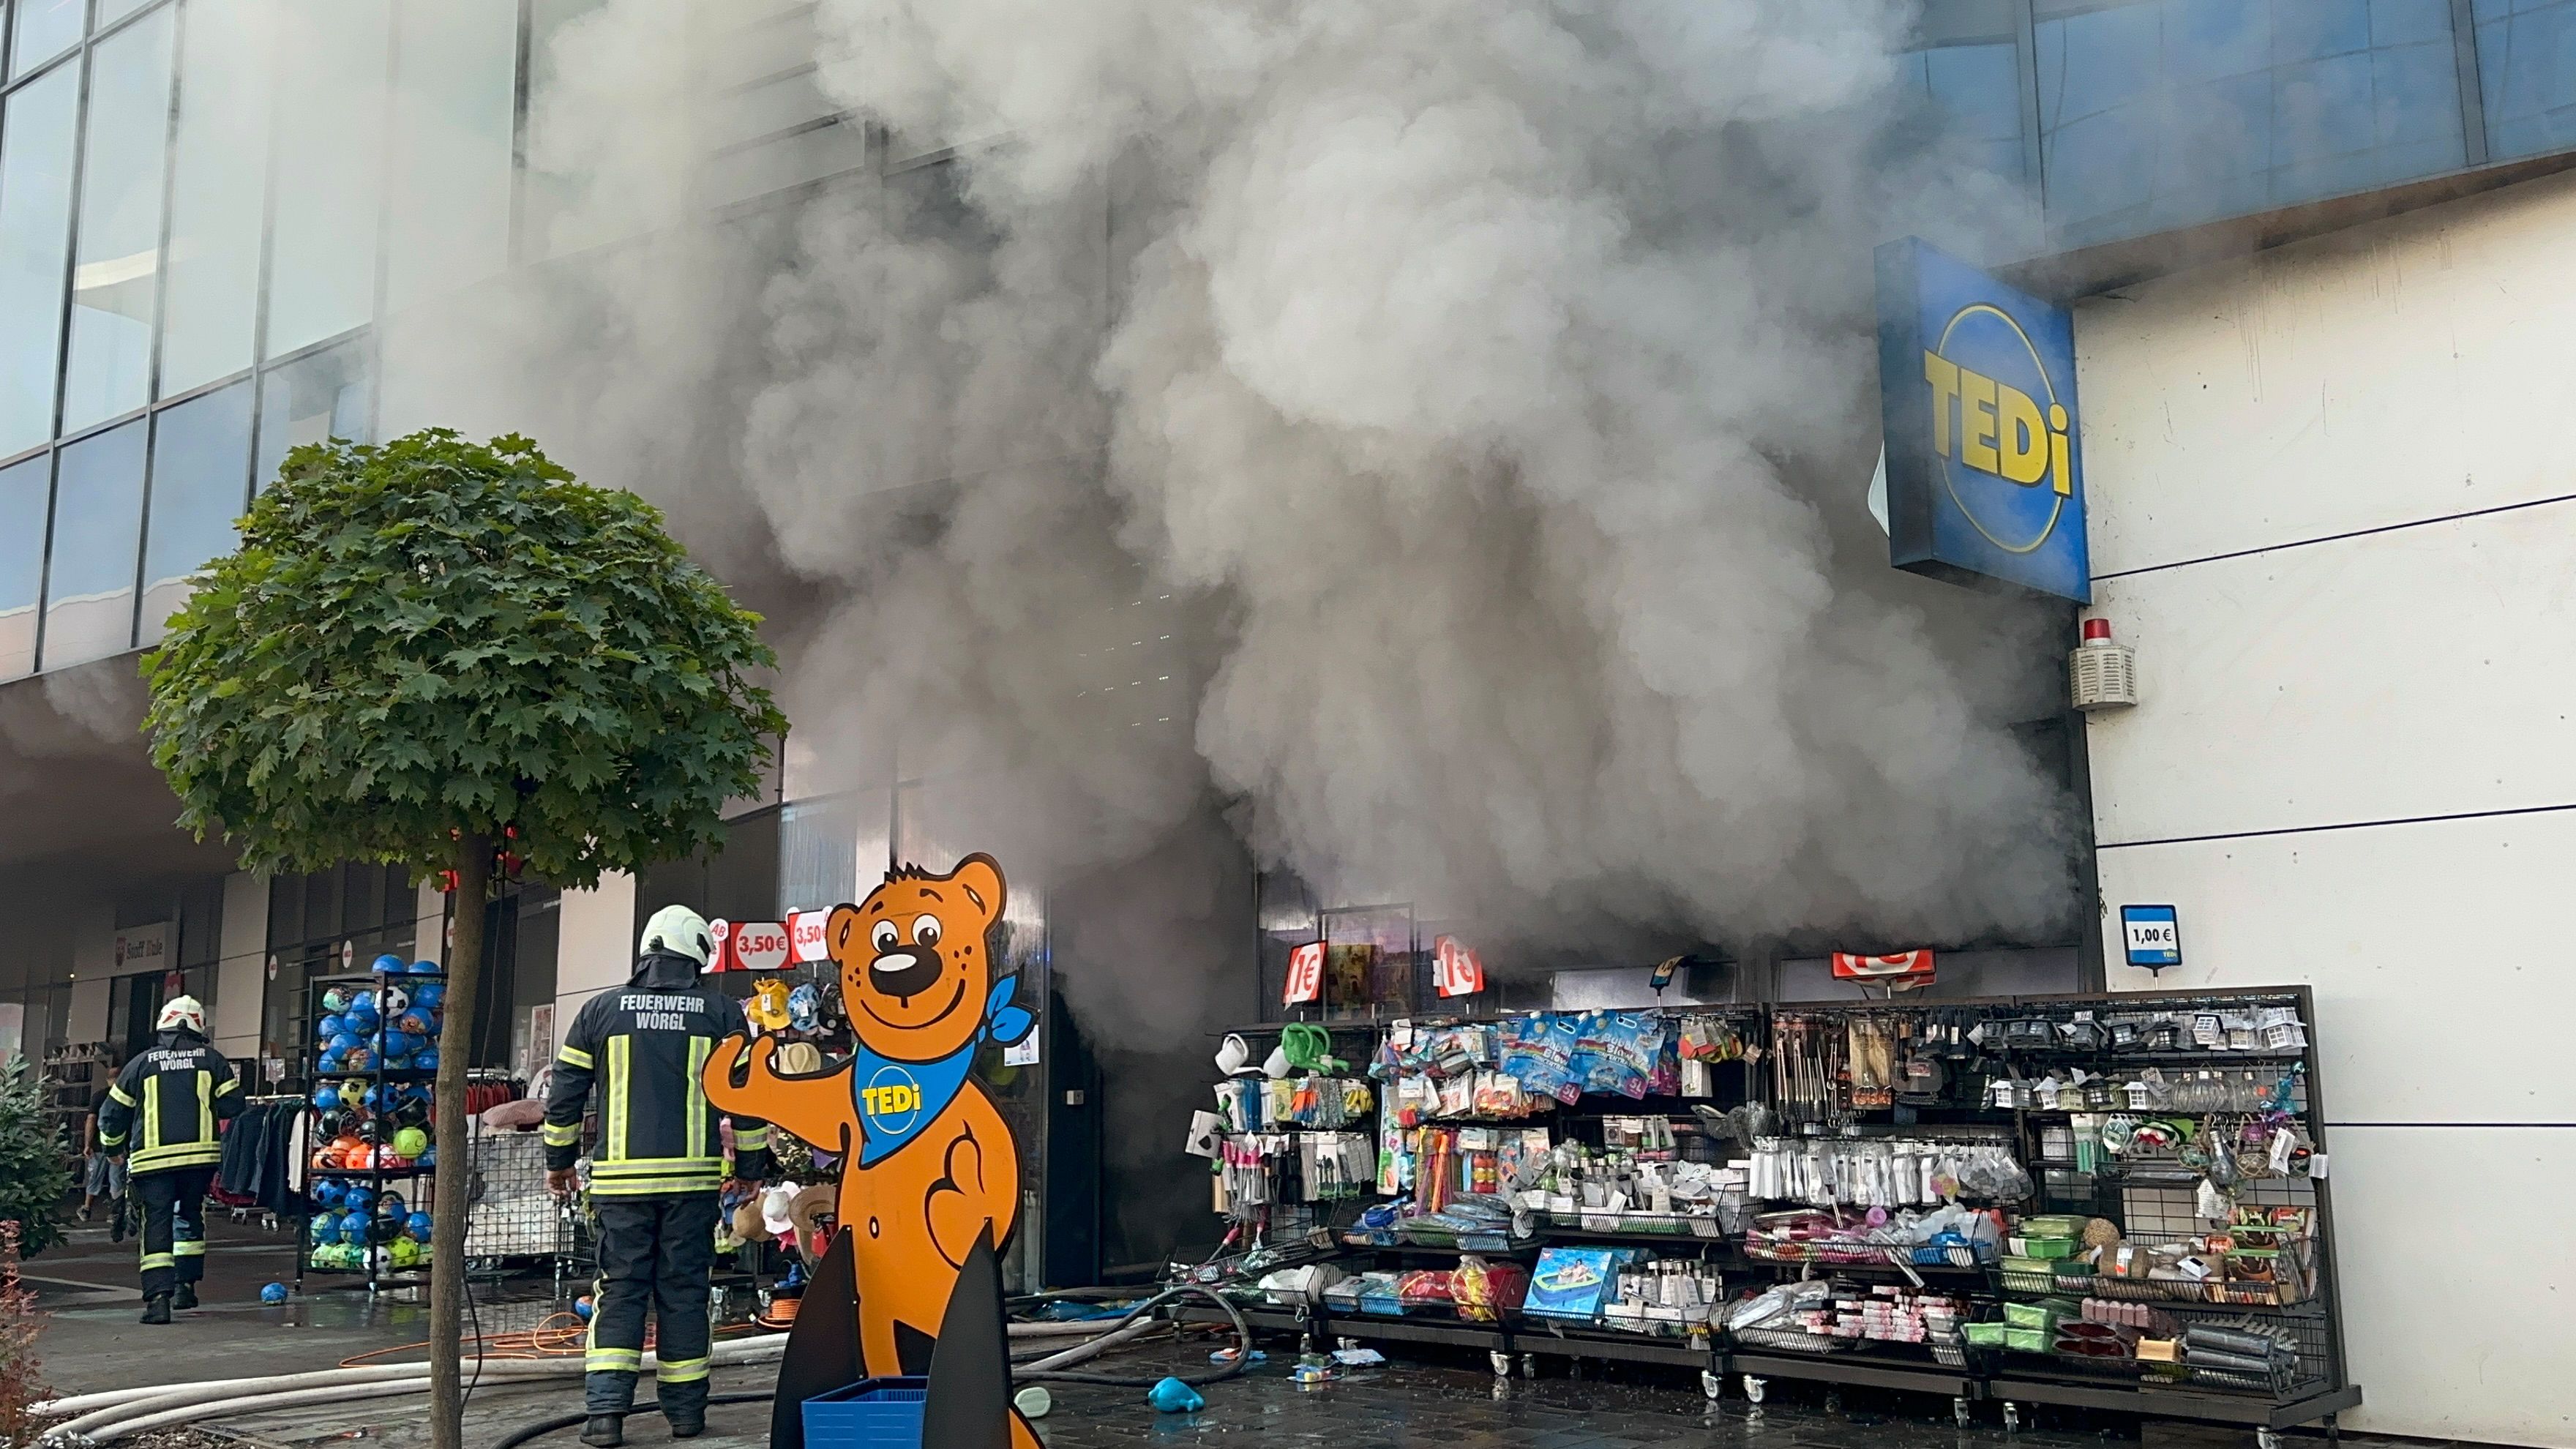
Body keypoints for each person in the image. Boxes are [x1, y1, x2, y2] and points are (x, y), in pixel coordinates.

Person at [546, 906, 772, 1447]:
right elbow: (747, 1102)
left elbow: (566, 1093)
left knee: (619, 1291)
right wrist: (750, 1171)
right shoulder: (720, 1014)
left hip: (621, 1187)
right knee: (684, 1292)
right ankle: (686, 1416)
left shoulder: (599, 1011)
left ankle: (605, 1416)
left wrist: (559, 1163)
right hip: (691, 1185)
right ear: (696, 955)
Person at [95, 997, 241, 1324]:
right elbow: (234, 1106)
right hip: (199, 1162)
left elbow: (111, 1114)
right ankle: (185, 1288)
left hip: (153, 1164)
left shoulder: (142, 1063)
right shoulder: (212, 1061)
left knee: (156, 1227)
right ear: (199, 1025)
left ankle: (158, 1301)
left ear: (163, 1023)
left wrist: (113, 1151)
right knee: (190, 1217)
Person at [80, 1075, 130, 1235]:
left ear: (108, 1079)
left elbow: (91, 1119)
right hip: (120, 1145)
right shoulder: (129, 1095)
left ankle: (87, 1209)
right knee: (117, 1180)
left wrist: (87, 1144)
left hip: (99, 1146)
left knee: (95, 1178)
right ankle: (116, 1212)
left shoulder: (99, 1096)